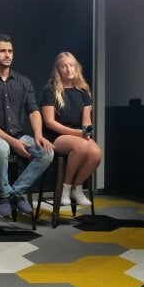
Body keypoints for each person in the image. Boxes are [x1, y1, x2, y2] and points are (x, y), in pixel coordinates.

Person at [0, 34, 54, 217]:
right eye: (2, 51)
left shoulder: (23, 82)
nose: (8, 55)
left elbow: (33, 111)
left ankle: (14, 194)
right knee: (1, 147)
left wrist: (38, 134)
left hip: (18, 135)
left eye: (10, 51)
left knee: (47, 152)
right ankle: (3, 196)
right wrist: (12, 142)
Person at [40, 52, 101, 205]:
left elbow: (86, 121)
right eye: (64, 66)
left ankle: (76, 188)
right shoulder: (50, 90)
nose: (68, 69)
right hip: (56, 136)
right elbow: (49, 122)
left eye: (71, 65)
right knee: (81, 147)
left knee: (96, 153)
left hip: (78, 134)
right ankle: (65, 189)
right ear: (58, 70)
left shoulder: (83, 91)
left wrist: (87, 132)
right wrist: (78, 134)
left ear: (76, 68)